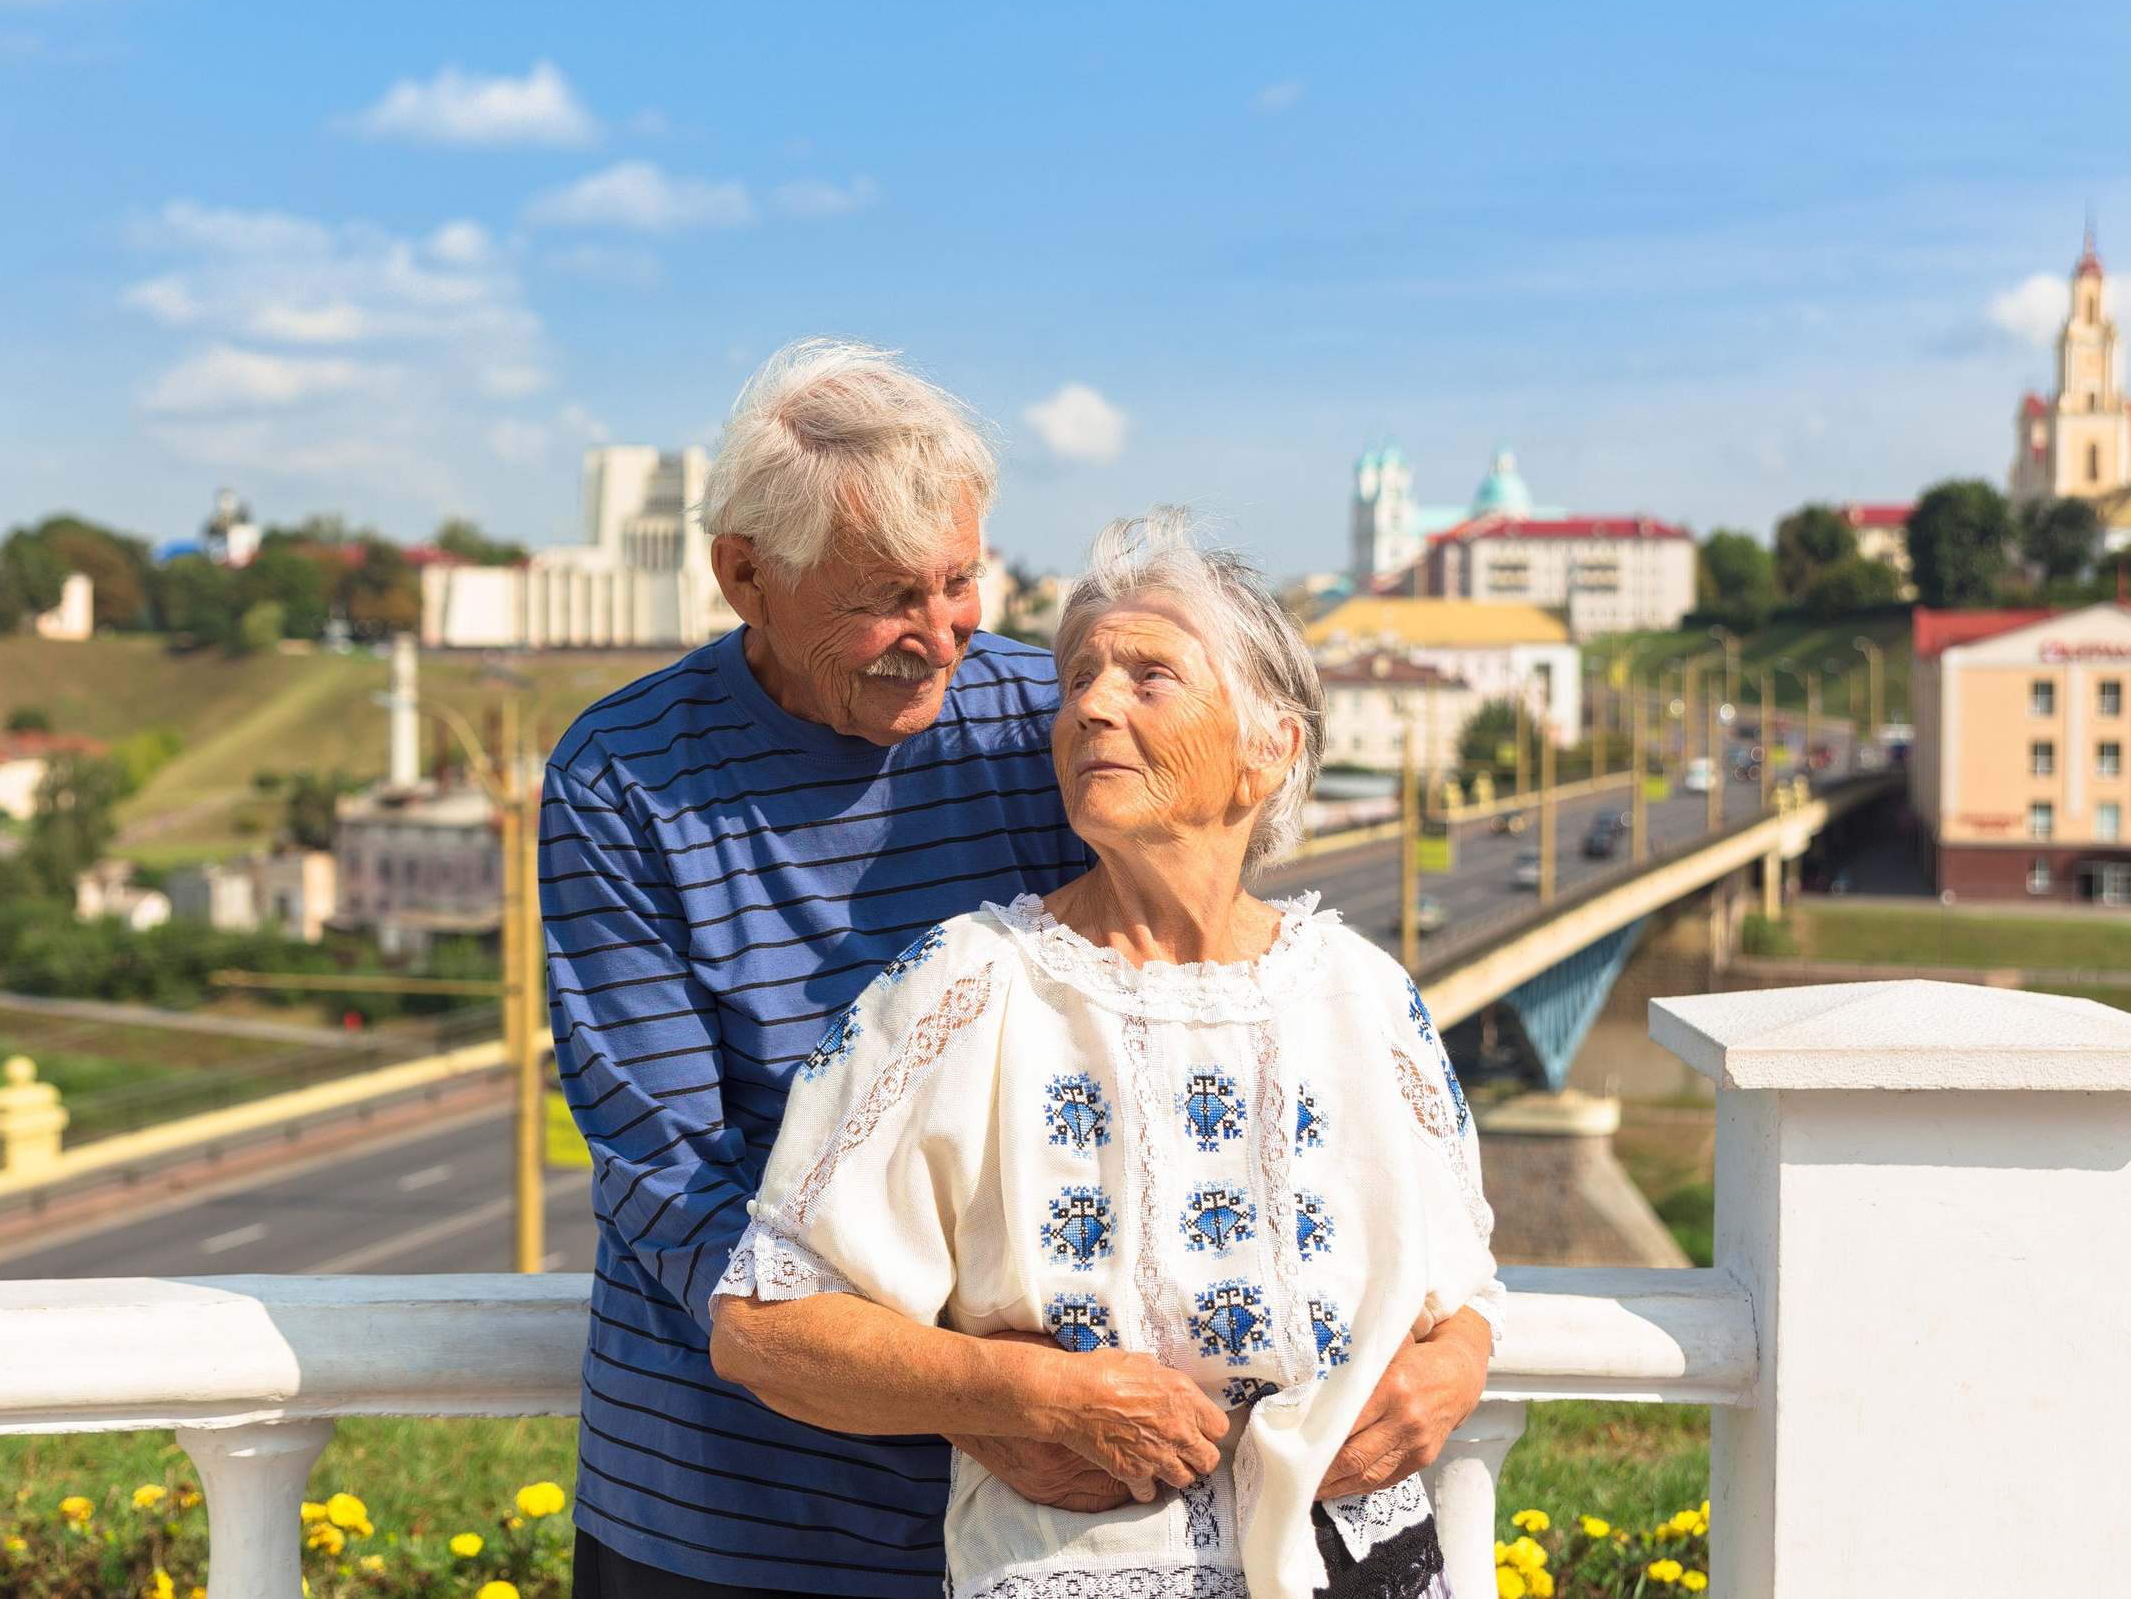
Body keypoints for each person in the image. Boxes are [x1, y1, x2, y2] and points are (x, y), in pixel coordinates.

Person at [542, 341, 1492, 1599]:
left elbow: (1163, 1004)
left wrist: (1450, 1351)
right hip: (734, 1508)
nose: (938, 638)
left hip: (1069, 1515)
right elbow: (672, 1187)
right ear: (742, 576)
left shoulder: (1036, 722)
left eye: (960, 582)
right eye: (886, 596)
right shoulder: (623, 779)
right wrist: (984, 1395)